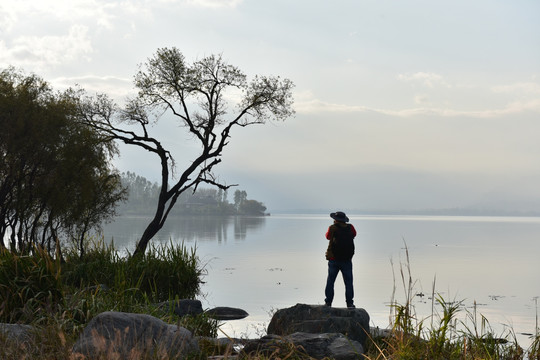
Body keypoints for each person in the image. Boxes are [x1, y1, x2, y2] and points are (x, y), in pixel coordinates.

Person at [324, 211, 357, 309]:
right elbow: (354, 235)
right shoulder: (350, 228)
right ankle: (350, 304)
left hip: (334, 259)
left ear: (335, 220)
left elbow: (327, 236)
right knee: (348, 282)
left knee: (330, 281)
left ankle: (328, 302)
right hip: (347, 260)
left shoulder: (332, 228)